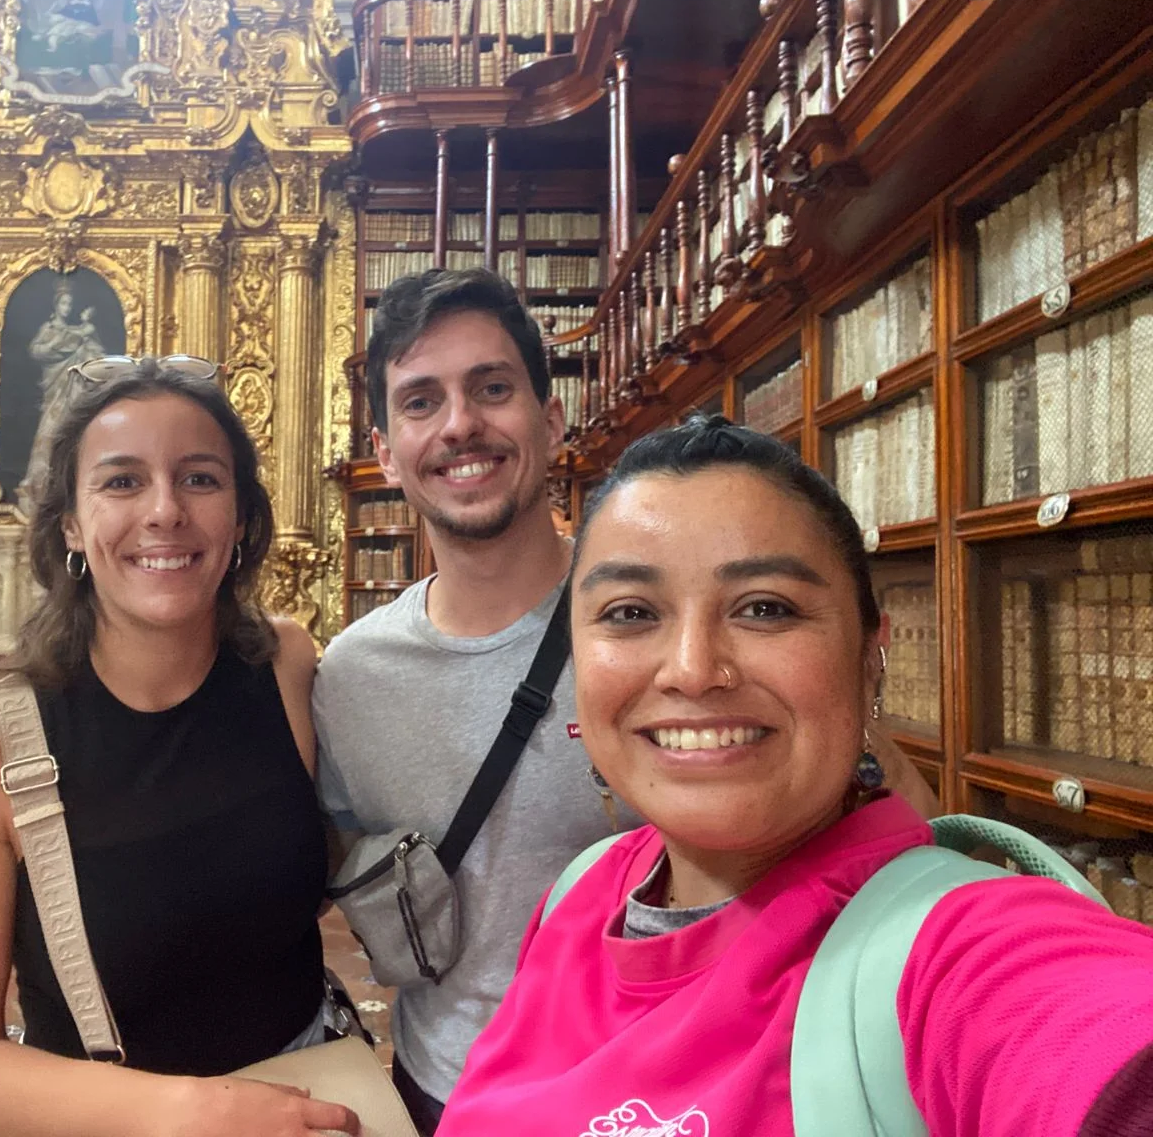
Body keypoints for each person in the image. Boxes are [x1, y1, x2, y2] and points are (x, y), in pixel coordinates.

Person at [315, 271, 943, 1132]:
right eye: (422, 401)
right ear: (385, 451)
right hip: (446, 1083)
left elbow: (907, 855)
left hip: (695, 1092)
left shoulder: (673, 615)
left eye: (492, 388)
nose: (460, 424)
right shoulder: (351, 676)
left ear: (551, 420)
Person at [437, 415, 1153, 1136]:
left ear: (871, 657)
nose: (692, 669)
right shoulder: (580, 891)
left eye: (765, 608)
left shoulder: (957, 953)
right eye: (629, 613)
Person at [0, 357, 358, 1137]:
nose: (165, 511)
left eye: (200, 479)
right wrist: (192, 1111)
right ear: (70, 524)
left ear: (241, 518)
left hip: (309, 1094)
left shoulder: (285, 663)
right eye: (122, 482)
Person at [20, 285, 104, 514]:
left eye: (70, 304)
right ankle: (42, 488)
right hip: (56, 393)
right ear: (56, 306)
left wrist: (85, 332)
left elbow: (98, 361)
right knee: (50, 436)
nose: (67, 308)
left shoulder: (82, 332)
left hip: (77, 394)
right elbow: (38, 351)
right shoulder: (51, 329)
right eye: (64, 303)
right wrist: (75, 336)